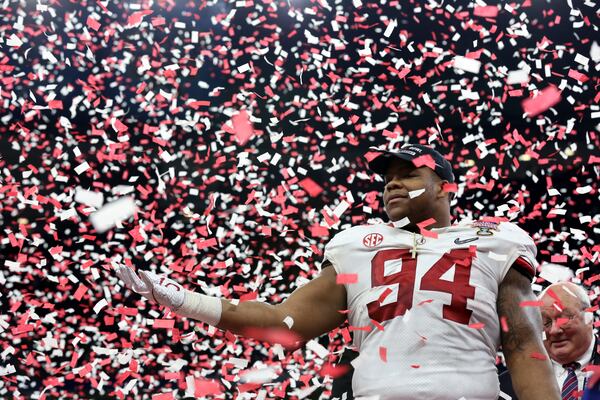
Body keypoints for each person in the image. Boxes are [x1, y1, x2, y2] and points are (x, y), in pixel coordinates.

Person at [116, 143, 561, 399]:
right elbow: (284, 323)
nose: (391, 183)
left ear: (444, 187)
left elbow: (523, 343)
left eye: (407, 174)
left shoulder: (496, 240)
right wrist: (182, 300)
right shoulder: (357, 246)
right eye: (387, 177)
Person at [499, 282, 599, 399]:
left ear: (589, 318)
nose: (554, 331)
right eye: (545, 323)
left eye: (564, 319)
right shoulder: (506, 386)